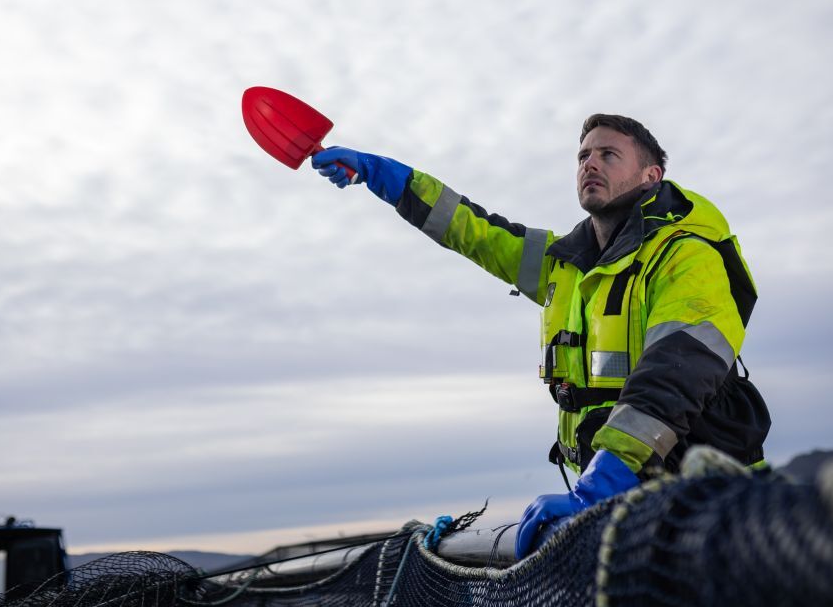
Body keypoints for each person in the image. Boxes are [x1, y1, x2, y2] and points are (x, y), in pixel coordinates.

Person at [311, 114, 771, 558]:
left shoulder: (688, 256)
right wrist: (380, 175)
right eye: (583, 156)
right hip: (623, 514)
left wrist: (602, 483)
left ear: (651, 176)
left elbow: (678, 374)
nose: (590, 164)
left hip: (712, 513)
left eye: (609, 155)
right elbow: (471, 229)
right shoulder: (563, 263)